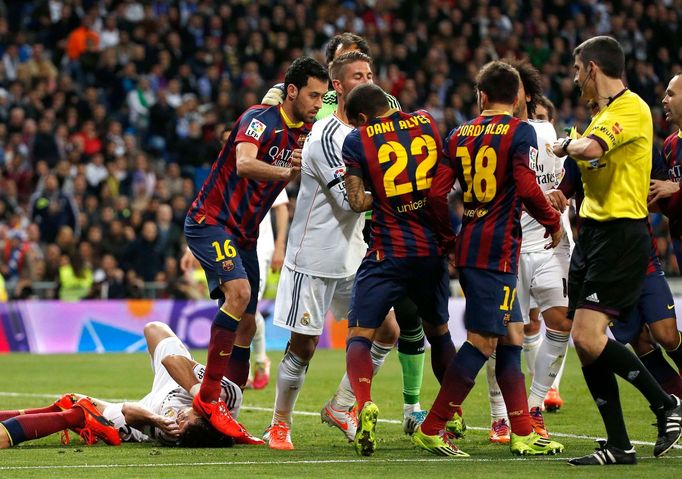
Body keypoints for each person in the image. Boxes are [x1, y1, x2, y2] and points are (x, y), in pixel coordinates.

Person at [262, 34, 430, 433]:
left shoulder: (370, 134)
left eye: (371, 74)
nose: (368, 81)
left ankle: (340, 406)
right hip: (314, 256)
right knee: (302, 346)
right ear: (338, 87)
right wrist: (408, 190)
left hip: (353, 254)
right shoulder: (327, 136)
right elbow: (350, 201)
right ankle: (279, 424)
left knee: (387, 331)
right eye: (358, 75)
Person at [414, 60, 564, 458]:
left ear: (481, 95)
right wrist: (553, 221)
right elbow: (528, 187)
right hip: (494, 252)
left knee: (513, 335)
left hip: (475, 244)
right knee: (482, 343)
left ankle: (521, 430)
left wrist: (448, 236)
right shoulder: (521, 131)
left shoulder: (458, 135)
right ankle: (432, 427)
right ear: (517, 99)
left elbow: (434, 195)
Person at [550, 36, 681, 466]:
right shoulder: (600, 115)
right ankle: (620, 445)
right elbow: (585, 165)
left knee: (593, 337)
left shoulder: (630, 109)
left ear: (591, 69)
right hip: (592, 237)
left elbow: (589, 149)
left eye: (575, 71)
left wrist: (565, 144)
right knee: (585, 344)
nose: (574, 80)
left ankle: (665, 403)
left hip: (621, 236)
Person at [182, 56, 328, 440]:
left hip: (244, 234)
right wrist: (287, 172)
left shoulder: (306, 131)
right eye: (312, 95)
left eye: (323, 96)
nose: (317, 102)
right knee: (241, 293)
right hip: (210, 222)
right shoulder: (258, 119)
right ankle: (208, 398)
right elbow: (245, 163)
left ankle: (226, 411)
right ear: (292, 91)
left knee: (248, 321)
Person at [340, 83, 455, 457]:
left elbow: (357, 202)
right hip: (430, 251)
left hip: (387, 252)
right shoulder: (425, 122)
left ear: (361, 117)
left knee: (360, 333)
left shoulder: (357, 140)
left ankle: (364, 404)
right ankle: (449, 412)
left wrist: (387, 194)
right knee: (438, 332)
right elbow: (441, 184)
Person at [485, 60, 573, 444]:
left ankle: (535, 405)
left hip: (551, 243)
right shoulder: (493, 134)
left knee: (562, 321)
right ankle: (499, 415)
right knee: (501, 336)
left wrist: (563, 194)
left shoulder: (544, 130)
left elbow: (559, 176)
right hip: (508, 246)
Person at [0, 322, 248, 448]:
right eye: (186, 419)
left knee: (78, 409)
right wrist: (198, 391)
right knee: (154, 328)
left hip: (143, 415)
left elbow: (130, 412)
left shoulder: (173, 433)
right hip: (174, 383)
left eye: (181, 424)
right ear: (206, 416)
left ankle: (6, 433)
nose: (179, 419)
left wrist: (155, 420)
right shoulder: (228, 396)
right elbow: (171, 360)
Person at [246, 189, 289, 390]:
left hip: (259, 249)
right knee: (233, 308)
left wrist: (280, 246)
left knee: (248, 307)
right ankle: (244, 365)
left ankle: (258, 360)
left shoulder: (267, 163)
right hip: (229, 248)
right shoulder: (226, 165)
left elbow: (281, 208)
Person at [652, 74, 682, 271]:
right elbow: (664, 200)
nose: (664, 100)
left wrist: (678, 187)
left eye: (670, 94)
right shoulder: (669, 145)